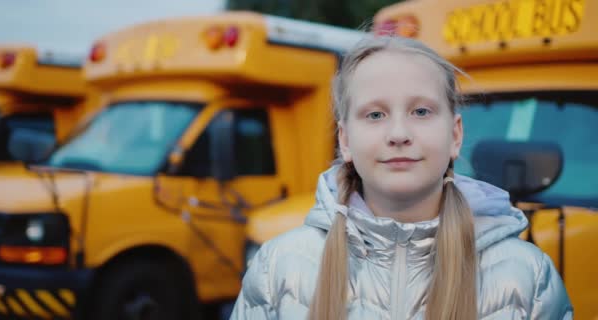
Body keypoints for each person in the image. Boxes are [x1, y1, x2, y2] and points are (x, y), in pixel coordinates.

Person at [230, 35, 573, 320]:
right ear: (345, 140)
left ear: (455, 135)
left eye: (421, 111)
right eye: (375, 114)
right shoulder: (277, 268)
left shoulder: (528, 276)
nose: (398, 133)